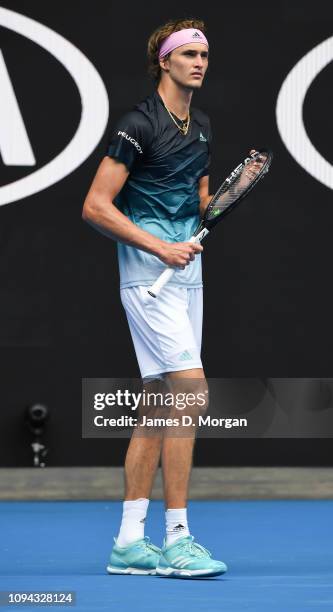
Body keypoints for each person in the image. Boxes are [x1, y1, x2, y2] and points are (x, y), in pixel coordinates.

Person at [82, 18, 227, 578]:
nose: (199, 62)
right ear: (164, 61)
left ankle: (127, 542)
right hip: (148, 276)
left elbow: (199, 194)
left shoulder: (203, 125)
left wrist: (209, 212)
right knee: (190, 394)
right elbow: (96, 206)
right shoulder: (138, 124)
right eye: (189, 53)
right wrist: (160, 247)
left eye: (205, 54)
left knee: (157, 404)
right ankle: (178, 538)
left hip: (186, 277)